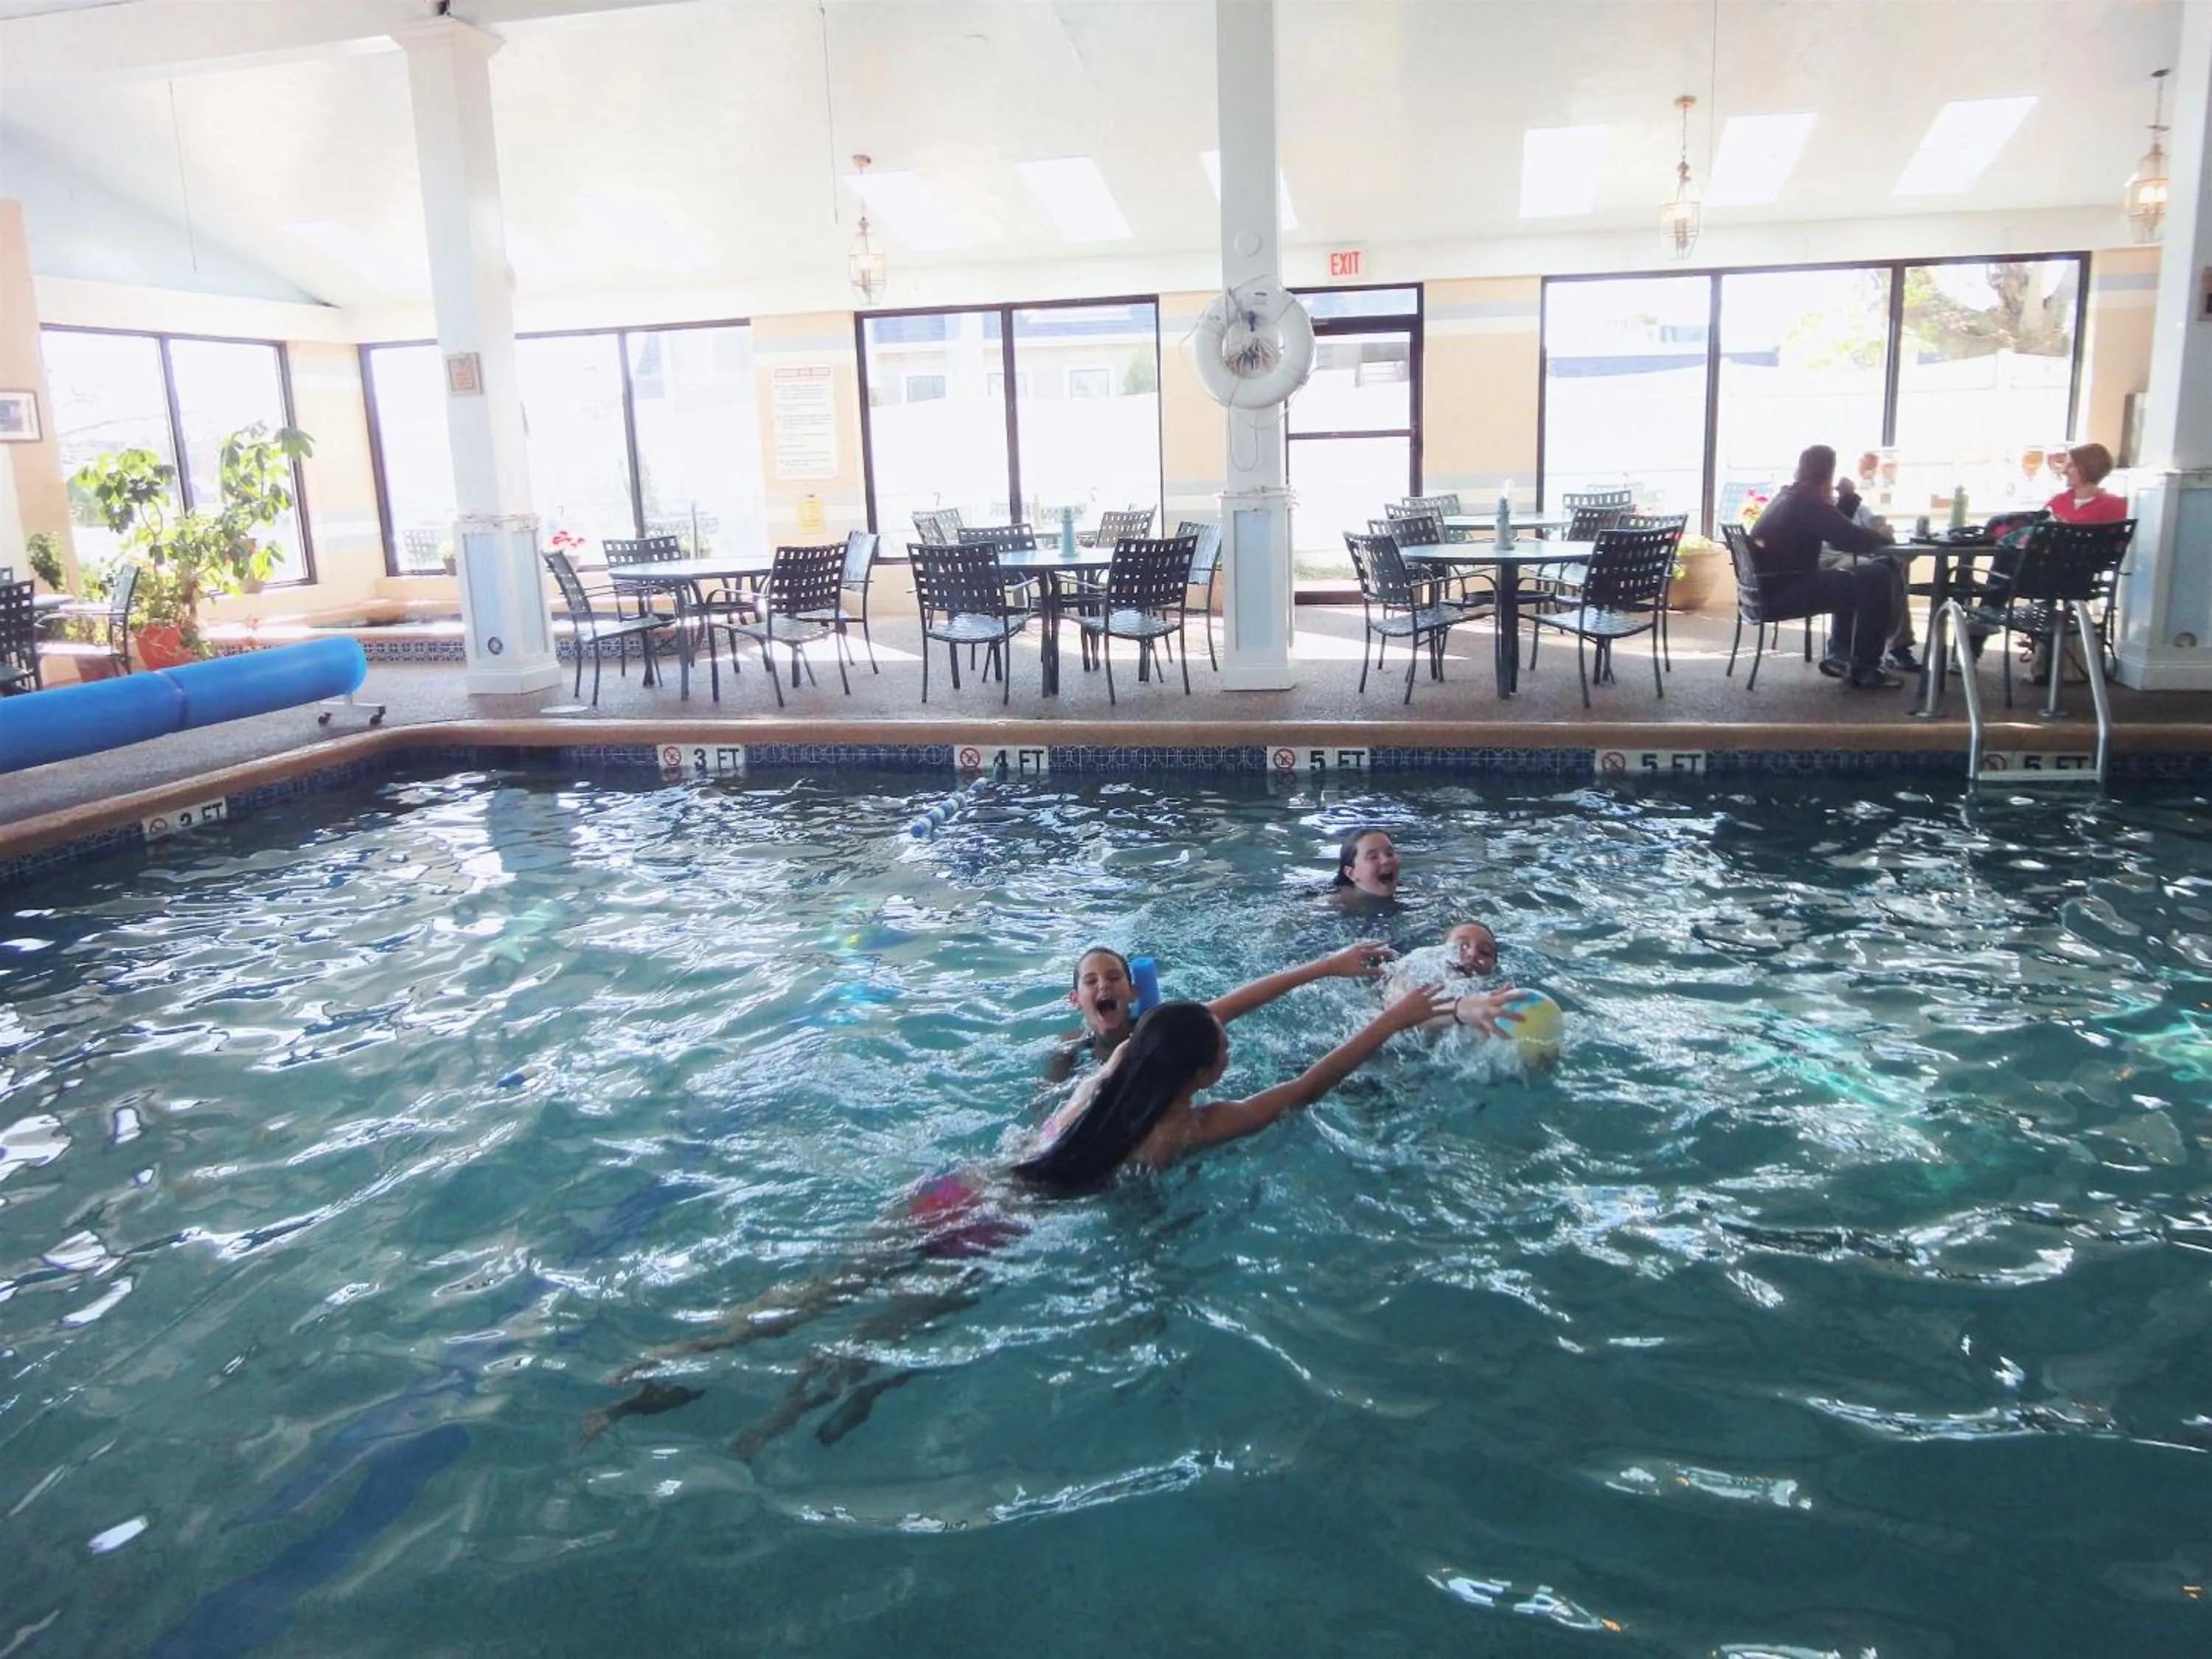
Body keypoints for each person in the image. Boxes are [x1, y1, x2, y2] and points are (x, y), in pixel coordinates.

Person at [605, 985, 1455, 1455]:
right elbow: (1306, 1087)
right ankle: (760, 1434)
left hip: (958, 1187)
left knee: (822, 1287)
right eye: (1220, 1054)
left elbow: (1200, 1021)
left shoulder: (1112, 1072)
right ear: (1199, 1074)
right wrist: (1392, 1017)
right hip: (1003, 1231)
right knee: (871, 1340)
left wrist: (1319, 972)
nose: (1227, 1054)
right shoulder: (1179, 1131)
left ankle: (681, 1355)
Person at [1050, 938, 1399, 1079]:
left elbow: (1240, 1001)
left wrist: (1326, 965)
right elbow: (1044, 1114)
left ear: (1134, 991)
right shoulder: (1069, 1048)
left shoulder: (1160, 1027)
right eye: (1091, 982)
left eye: (1113, 977)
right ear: (1075, 998)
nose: (1104, 986)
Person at [1748, 444, 1905, 690]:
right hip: (1785, 591)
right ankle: (1866, 666)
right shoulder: (1806, 502)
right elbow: (1852, 540)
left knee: (1850, 578)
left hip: (1767, 588)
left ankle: (1841, 656)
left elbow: (1833, 530)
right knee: (1878, 575)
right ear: (1828, 474)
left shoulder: (1789, 496)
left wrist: (1846, 499)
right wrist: (1881, 534)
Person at [1833, 473, 1921, 673]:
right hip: (1835, 556)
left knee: (1895, 565)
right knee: (1881, 571)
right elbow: (1840, 537)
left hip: (1860, 551)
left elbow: (1863, 532)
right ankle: (1889, 648)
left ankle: (1895, 644)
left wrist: (1881, 532)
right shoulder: (1816, 505)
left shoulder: (1859, 509)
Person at [2045, 442, 2127, 524]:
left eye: (2071, 465)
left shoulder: (2115, 506)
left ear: (2090, 468)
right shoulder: (2057, 502)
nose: (2064, 471)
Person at [1327, 827, 1402, 905]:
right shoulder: (1334, 904)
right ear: (1351, 873)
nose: (1386, 860)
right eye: (1373, 857)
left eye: (1390, 854)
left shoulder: (1408, 893)